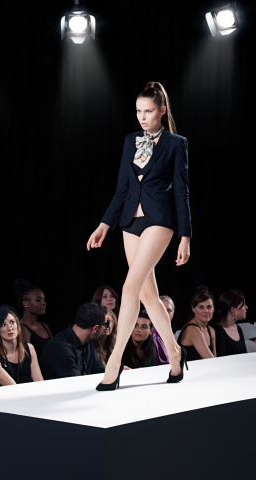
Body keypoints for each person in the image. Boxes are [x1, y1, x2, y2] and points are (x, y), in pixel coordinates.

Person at [87, 81, 191, 389]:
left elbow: (182, 192)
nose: (142, 117)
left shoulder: (176, 143)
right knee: (148, 295)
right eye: (138, 111)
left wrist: (185, 236)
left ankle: (115, 362)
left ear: (162, 110)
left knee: (129, 286)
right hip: (130, 221)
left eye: (148, 111)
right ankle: (175, 351)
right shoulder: (130, 141)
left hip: (160, 220)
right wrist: (104, 224)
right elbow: (122, 189)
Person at [40, 302, 107, 380]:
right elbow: (76, 383)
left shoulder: (88, 342)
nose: (105, 328)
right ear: (95, 328)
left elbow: (101, 372)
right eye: (105, 324)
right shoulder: (61, 347)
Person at [0, 304, 43, 385]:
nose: (9, 328)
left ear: (17, 325)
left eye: (12, 322)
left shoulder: (29, 348)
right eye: (3, 325)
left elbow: (39, 382)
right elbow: (14, 389)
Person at [13, 278, 52, 358]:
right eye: (38, 300)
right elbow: (28, 359)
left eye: (44, 300)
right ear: (25, 303)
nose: (43, 303)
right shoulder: (22, 328)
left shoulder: (44, 325)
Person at [177, 286, 216, 361]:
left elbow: (215, 360)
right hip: (190, 372)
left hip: (206, 370)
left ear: (213, 308)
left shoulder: (211, 331)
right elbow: (211, 361)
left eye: (209, 307)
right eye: (201, 307)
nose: (206, 311)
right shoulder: (192, 329)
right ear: (193, 309)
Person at [213, 290, 248, 357]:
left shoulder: (238, 328)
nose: (246, 307)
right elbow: (221, 361)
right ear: (232, 310)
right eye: (243, 305)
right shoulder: (219, 331)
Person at [151, 295, 176, 365]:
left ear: (173, 314)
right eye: (161, 310)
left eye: (168, 310)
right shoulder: (152, 335)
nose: (165, 313)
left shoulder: (170, 334)